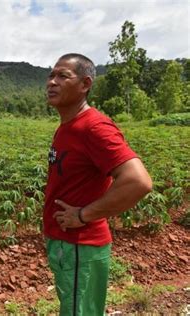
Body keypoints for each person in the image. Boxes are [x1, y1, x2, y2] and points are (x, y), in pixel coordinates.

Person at [43, 53, 152, 316]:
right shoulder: (67, 126)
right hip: (67, 246)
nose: (52, 82)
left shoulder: (94, 127)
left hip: (81, 245)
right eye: (51, 75)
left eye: (62, 76)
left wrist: (83, 214)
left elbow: (138, 181)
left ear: (85, 84)